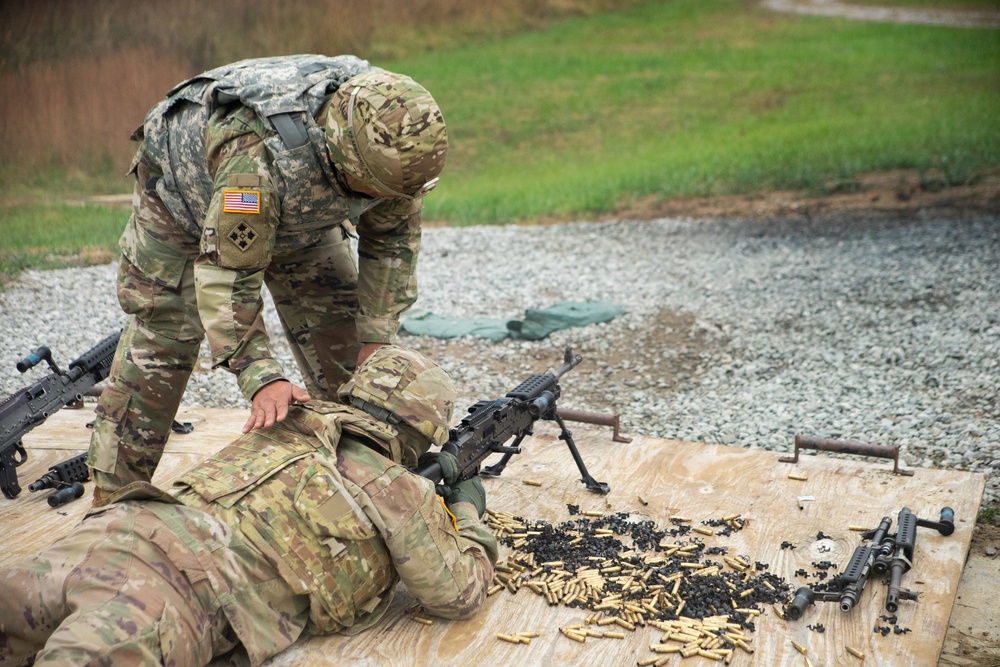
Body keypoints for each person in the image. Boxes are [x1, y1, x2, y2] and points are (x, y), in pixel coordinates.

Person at [87, 54, 448, 504]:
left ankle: (362, 490)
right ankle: (110, 498)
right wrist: (261, 377)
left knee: (353, 356)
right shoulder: (252, 166)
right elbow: (228, 276)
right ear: (345, 159)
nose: (387, 200)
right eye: (376, 191)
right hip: (184, 209)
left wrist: (375, 334)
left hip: (304, 214)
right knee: (163, 342)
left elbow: (393, 240)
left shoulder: (393, 157)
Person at [0, 346, 496, 666]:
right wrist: (467, 510)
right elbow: (459, 594)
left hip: (113, 531)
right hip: (170, 594)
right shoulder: (397, 489)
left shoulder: (287, 417)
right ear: (422, 432)